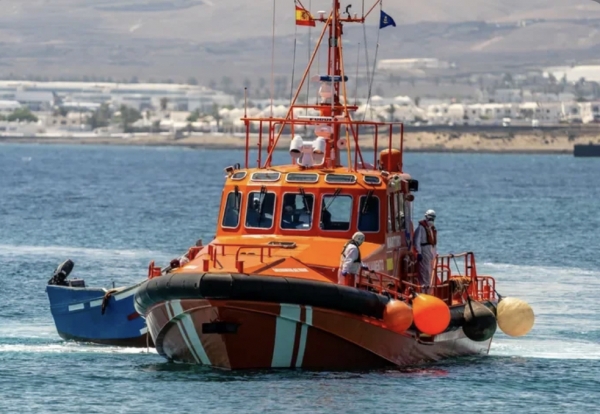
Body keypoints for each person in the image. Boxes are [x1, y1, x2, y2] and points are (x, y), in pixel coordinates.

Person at [414, 209, 437, 292]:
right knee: (424, 272)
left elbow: (433, 244)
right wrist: (419, 252)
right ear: (426, 217)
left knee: (430, 273)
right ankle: (424, 290)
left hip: (430, 253)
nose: (431, 220)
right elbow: (417, 241)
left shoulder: (432, 229)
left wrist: (434, 254)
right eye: (430, 218)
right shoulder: (421, 228)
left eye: (432, 219)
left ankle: (429, 290)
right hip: (423, 251)